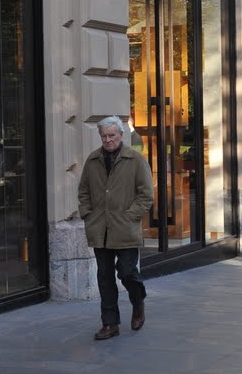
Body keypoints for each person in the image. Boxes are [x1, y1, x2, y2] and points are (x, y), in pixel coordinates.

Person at [78, 115, 154, 341]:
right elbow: (83, 191)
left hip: (125, 228)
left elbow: (146, 195)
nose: (108, 140)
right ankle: (110, 324)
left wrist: (130, 217)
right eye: (104, 136)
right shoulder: (92, 160)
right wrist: (87, 214)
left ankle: (137, 299)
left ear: (121, 135)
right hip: (100, 229)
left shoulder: (136, 160)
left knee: (127, 272)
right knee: (105, 277)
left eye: (112, 135)